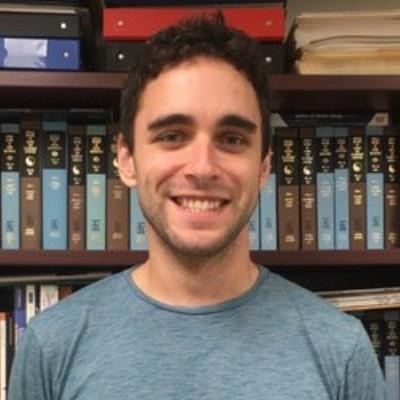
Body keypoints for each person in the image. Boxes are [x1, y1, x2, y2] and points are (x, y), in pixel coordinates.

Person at [9, 13, 386, 400]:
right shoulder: (50, 348)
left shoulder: (342, 351)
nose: (202, 168)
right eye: (172, 136)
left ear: (263, 167)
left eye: (232, 139)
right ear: (126, 159)